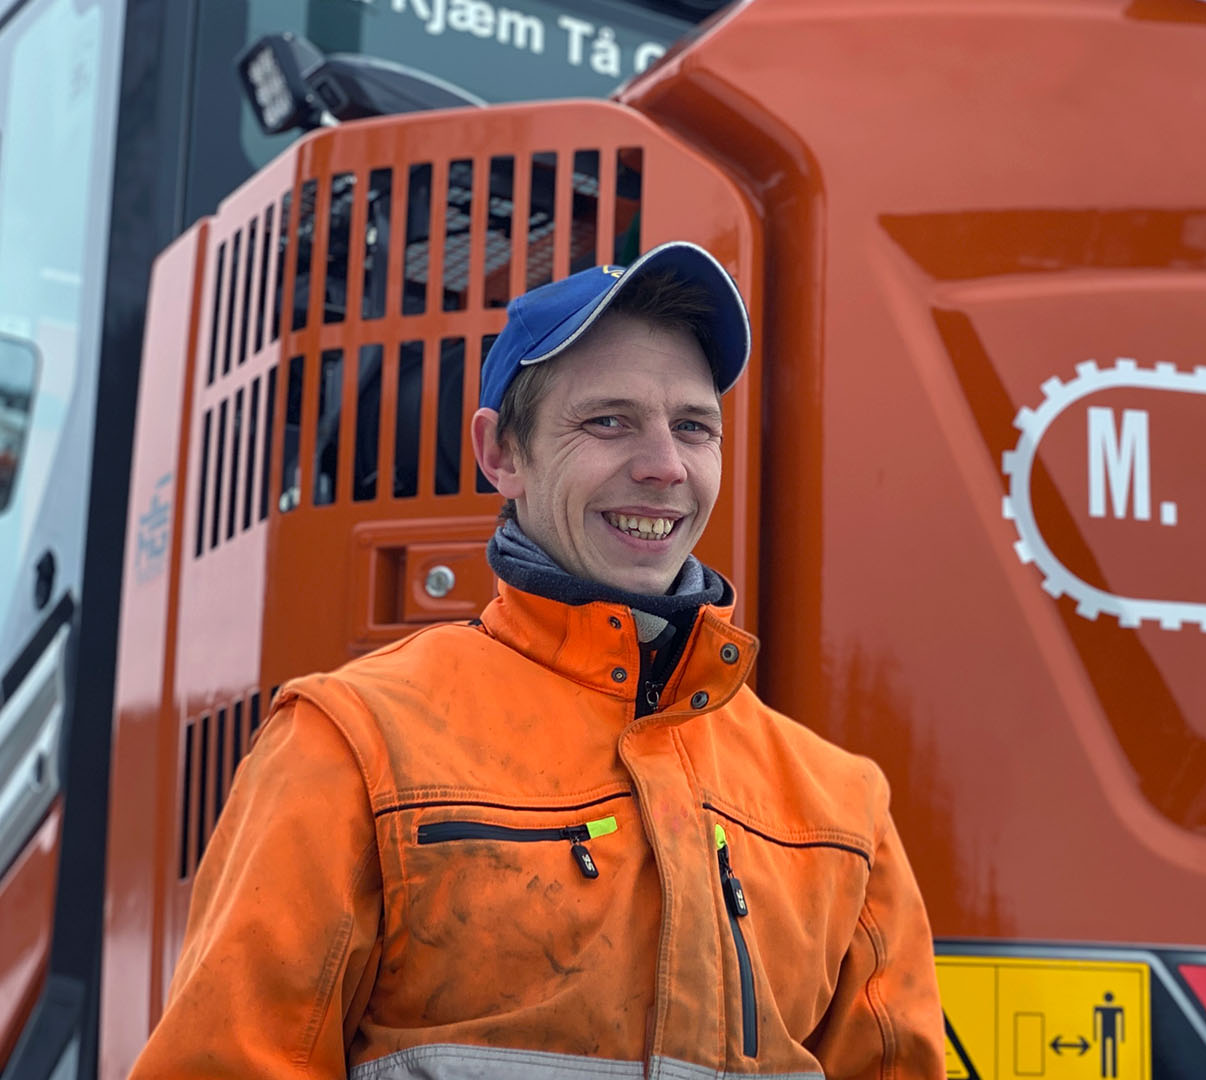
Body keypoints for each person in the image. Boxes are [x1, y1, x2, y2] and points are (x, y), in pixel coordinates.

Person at [132, 243, 944, 1079]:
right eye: (608, 421)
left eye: (694, 427)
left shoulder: (841, 809)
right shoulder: (352, 745)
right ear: (502, 455)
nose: (665, 465)